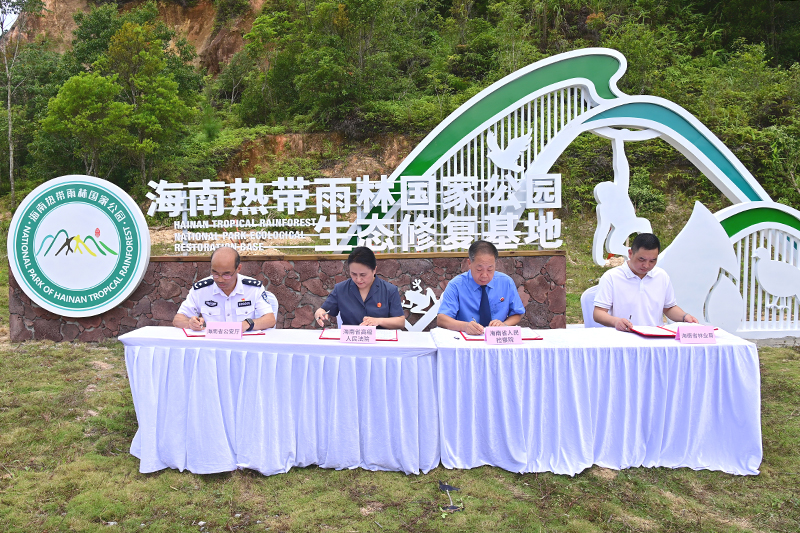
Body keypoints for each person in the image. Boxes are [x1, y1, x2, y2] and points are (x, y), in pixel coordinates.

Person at [593, 233, 699, 331]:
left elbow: (669, 308)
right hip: (625, 336)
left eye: (652, 261)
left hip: (655, 337)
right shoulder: (612, 277)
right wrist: (616, 321)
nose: (646, 265)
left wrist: (685, 317)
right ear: (630, 253)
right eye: (641, 259)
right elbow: (598, 313)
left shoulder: (661, 276)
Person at [173, 246, 278, 332]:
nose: (220, 279)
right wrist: (190, 323)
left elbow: (269, 320)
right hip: (212, 347)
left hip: (244, 345)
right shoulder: (201, 289)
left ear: (238, 269)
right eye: (215, 273)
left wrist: (246, 324)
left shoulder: (253, 288)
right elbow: (178, 319)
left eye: (226, 275)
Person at [437, 240, 526, 335]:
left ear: (496, 264)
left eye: (490, 269)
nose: (484, 275)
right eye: (479, 269)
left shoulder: (506, 282)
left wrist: (504, 325)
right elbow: (442, 319)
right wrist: (465, 326)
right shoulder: (456, 285)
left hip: (497, 339)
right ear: (469, 263)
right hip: (466, 341)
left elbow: (518, 313)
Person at [314, 246, 404, 329]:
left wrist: (378, 321)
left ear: (374, 270)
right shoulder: (341, 289)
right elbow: (325, 309)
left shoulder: (389, 290)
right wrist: (319, 312)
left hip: (379, 342)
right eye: (353, 274)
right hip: (350, 341)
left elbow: (400, 321)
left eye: (363, 275)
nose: (358, 279)